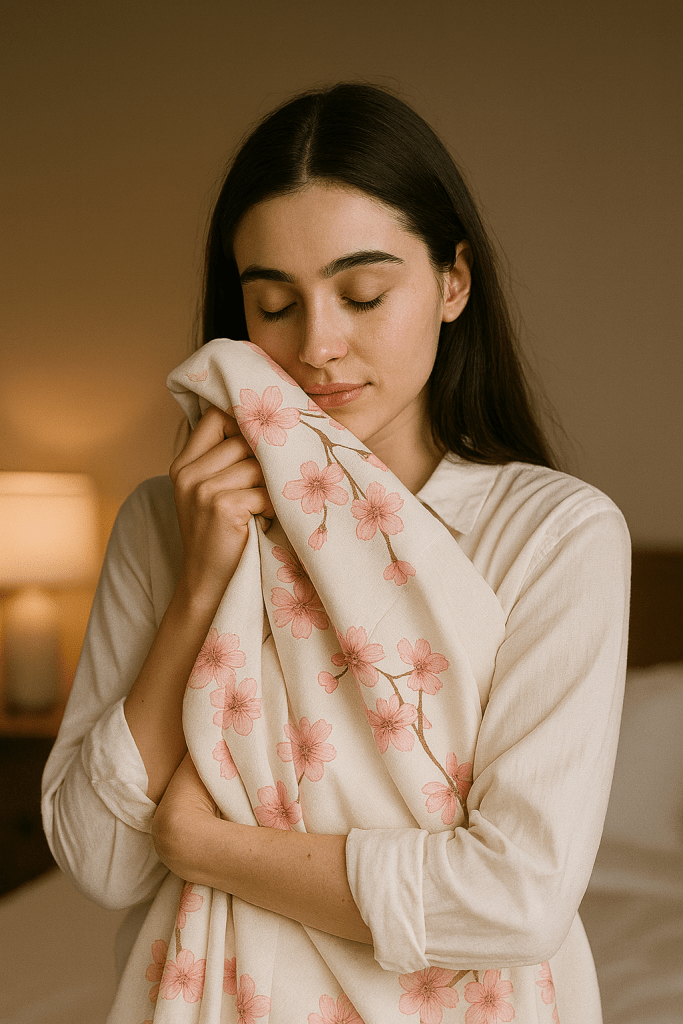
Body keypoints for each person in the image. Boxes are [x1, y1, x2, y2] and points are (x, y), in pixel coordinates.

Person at [42, 83, 630, 1024]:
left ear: (453, 282)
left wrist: (207, 847)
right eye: (274, 304)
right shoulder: (167, 522)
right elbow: (101, 862)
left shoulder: (554, 535)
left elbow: (517, 896)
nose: (317, 346)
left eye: (362, 294)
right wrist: (199, 585)